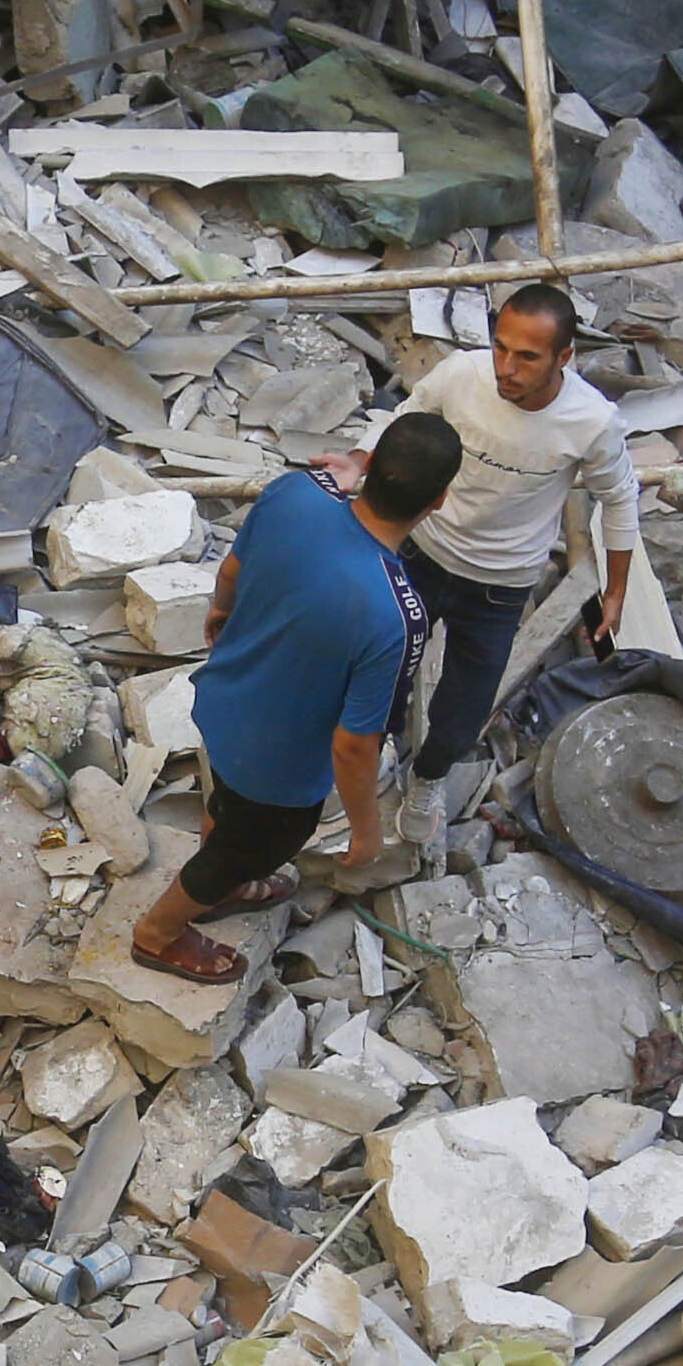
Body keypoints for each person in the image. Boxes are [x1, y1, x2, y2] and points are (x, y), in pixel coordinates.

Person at [135, 416, 459, 986]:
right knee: (248, 847)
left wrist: (221, 608)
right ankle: (159, 934)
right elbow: (355, 745)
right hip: (279, 774)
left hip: (221, 705)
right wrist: (365, 831)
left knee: (227, 808)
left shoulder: (295, 492)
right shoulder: (395, 614)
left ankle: (224, 881)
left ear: (370, 465)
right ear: (438, 501)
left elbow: (233, 567)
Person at [377, 280, 638, 785]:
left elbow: (620, 498)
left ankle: (427, 783)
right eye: (500, 347)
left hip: (499, 585)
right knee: (379, 669)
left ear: (564, 356)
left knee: (463, 715)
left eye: (527, 357)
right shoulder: (461, 374)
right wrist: (360, 472)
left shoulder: (591, 420)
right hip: (420, 554)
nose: (506, 369)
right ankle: (379, 750)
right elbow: (402, 426)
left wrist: (617, 591)